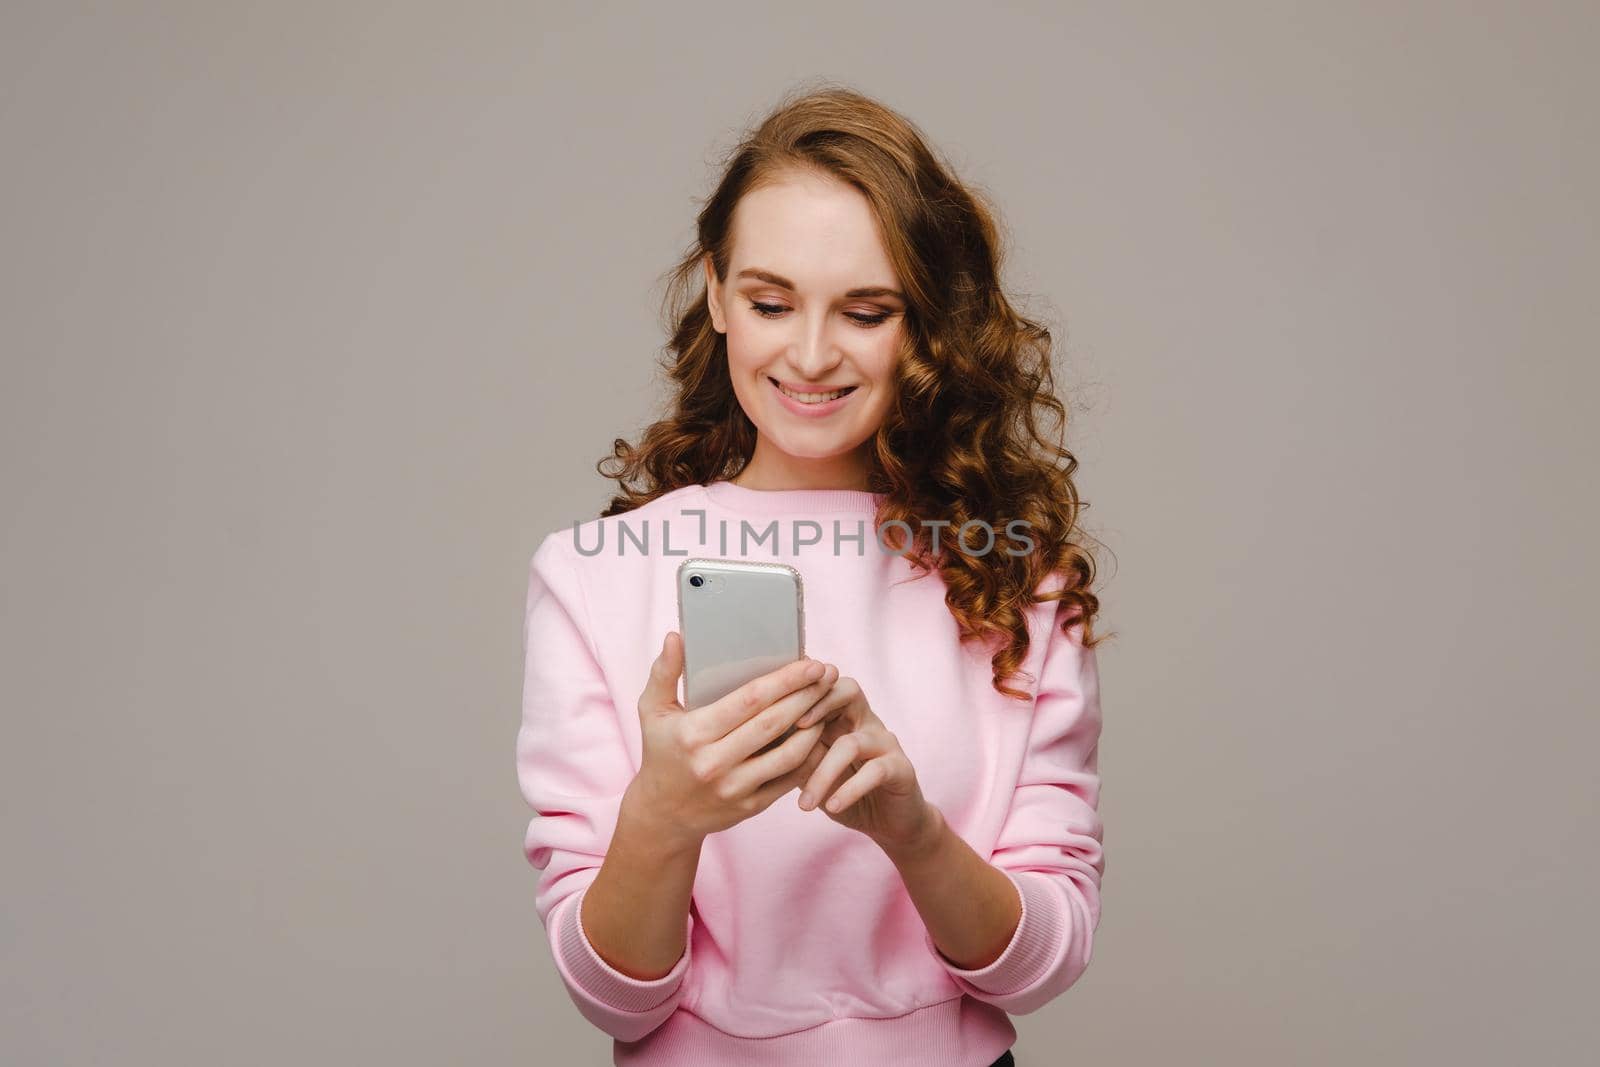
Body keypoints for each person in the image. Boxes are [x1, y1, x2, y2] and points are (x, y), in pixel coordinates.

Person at [516, 83, 1109, 1066]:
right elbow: (614, 999)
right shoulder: (590, 577)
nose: (809, 353)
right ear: (715, 293)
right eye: (769, 301)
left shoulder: (1019, 579)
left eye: (866, 310)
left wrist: (913, 832)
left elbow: (1038, 968)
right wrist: (662, 819)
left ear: (925, 320)